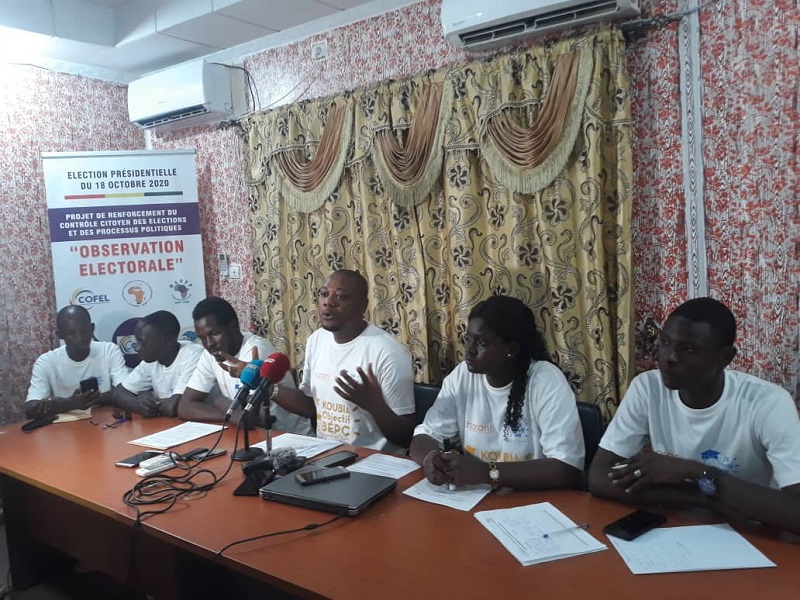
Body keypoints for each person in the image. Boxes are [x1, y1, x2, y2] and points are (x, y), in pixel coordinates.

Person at [588, 297, 800, 534]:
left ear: (725, 358)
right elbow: (599, 477)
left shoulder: (767, 403)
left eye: (689, 349)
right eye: (665, 342)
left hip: (747, 532)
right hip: (679, 526)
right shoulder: (647, 388)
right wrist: (703, 496)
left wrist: (695, 471)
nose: (669, 357)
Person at [409, 295, 584, 490]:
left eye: (482, 343)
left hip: (532, 499)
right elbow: (425, 435)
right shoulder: (462, 376)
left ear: (512, 349)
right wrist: (431, 459)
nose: (469, 350)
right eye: (468, 339)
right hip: (475, 498)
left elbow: (566, 469)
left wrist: (486, 473)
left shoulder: (545, 380)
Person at [270, 269, 416, 452]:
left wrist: (374, 406)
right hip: (326, 455)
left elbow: (407, 437)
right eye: (323, 294)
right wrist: (268, 388)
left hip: (372, 460)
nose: (328, 302)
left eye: (341, 296)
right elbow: (311, 406)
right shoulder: (317, 340)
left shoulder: (388, 352)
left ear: (363, 306)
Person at [177, 296, 312, 434]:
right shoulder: (211, 354)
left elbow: (249, 419)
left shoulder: (255, 350)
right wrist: (228, 413)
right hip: (256, 436)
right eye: (202, 338)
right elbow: (184, 407)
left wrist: (220, 402)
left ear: (233, 326)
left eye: (215, 334)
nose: (209, 344)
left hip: (290, 437)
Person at [25, 305, 129, 419]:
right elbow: (31, 409)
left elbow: (125, 391)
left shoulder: (109, 350)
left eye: (84, 331)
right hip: (65, 427)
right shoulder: (45, 362)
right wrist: (71, 403)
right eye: (71, 333)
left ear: (92, 328)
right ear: (60, 335)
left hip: (105, 421)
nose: (80, 339)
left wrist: (69, 402)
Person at [112, 310, 203, 417]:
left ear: (167, 341)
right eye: (137, 341)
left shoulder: (194, 355)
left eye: (143, 342)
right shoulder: (151, 360)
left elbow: (174, 407)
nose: (137, 348)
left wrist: (150, 402)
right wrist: (139, 404)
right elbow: (118, 394)